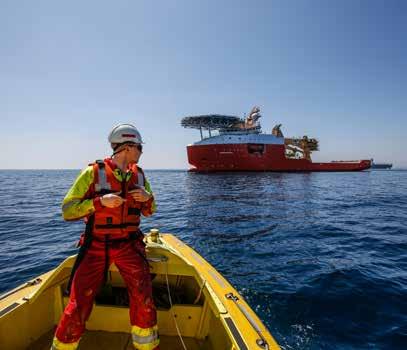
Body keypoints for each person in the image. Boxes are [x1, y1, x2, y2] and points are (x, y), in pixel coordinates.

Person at [51, 124, 159, 350]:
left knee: (143, 296)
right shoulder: (91, 173)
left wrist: (148, 197)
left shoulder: (139, 176)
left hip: (129, 244)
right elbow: (67, 210)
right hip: (96, 246)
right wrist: (100, 202)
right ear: (128, 147)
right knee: (79, 301)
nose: (141, 151)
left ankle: (147, 347)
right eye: (139, 147)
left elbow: (150, 212)